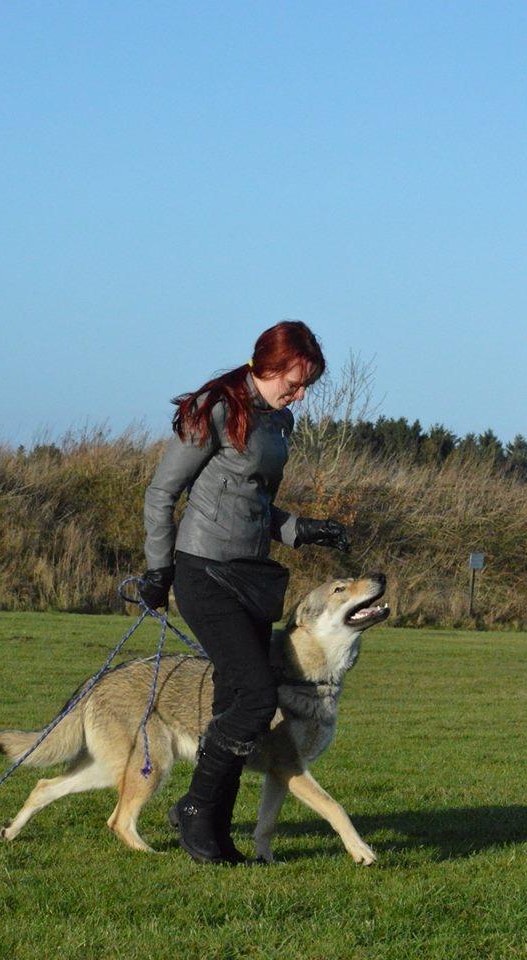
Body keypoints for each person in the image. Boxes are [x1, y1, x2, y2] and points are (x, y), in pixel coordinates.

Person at [141, 320, 350, 865]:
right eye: (295, 382)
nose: (300, 395)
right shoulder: (214, 407)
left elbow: (254, 504)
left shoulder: (280, 421)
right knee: (257, 697)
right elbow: (162, 493)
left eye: (306, 386)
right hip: (203, 571)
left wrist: (303, 529)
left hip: (252, 574)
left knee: (238, 703)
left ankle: (214, 828)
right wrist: (157, 570)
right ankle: (195, 807)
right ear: (268, 364)